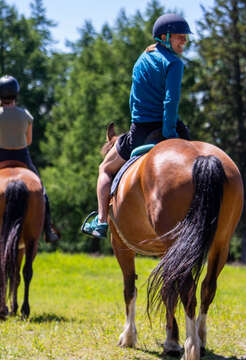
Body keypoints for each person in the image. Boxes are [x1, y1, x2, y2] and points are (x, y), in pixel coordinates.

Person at [82, 13, 192, 239]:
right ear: (165, 37)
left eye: (185, 38)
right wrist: (170, 134)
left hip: (140, 132)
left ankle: (102, 221)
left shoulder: (142, 60)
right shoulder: (174, 63)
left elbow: (133, 100)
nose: (185, 41)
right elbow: (171, 102)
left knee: (104, 169)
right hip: (169, 128)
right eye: (180, 37)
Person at [0, 75, 60, 243]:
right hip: (23, 157)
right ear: (16, 94)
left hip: (1, 157)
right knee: (42, 193)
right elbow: (28, 141)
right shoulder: (26, 115)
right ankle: (48, 229)